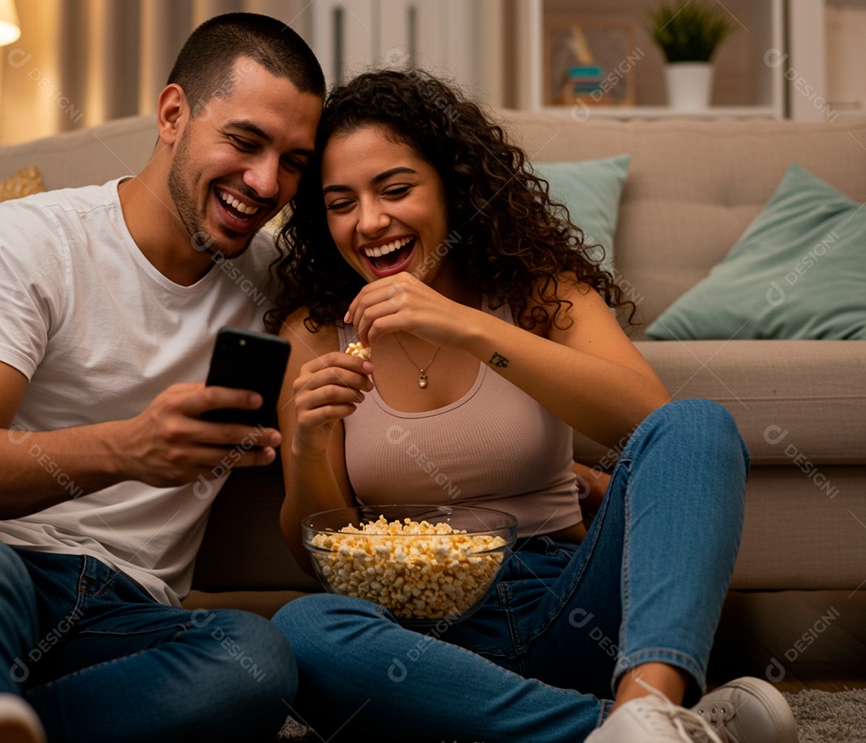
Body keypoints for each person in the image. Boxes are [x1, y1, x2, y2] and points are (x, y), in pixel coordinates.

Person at [0, 12, 324, 743]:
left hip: (116, 611)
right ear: (174, 113)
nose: (266, 183)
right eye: (244, 141)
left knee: (256, 658)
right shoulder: (32, 239)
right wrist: (126, 450)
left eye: (294, 161)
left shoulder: (273, 290)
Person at [267, 68, 799, 743]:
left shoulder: (536, 290)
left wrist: (470, 327)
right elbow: (312, 553)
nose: (370, 222)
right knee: (301, 632)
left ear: (454, 187)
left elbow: (650, 421)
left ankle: (646, 698)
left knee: (700, 424)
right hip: (414, 640)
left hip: (567, 605)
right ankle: (631, 731)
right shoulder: (315, 333)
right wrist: (310, 444)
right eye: (341, 203)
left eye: (396, 189)